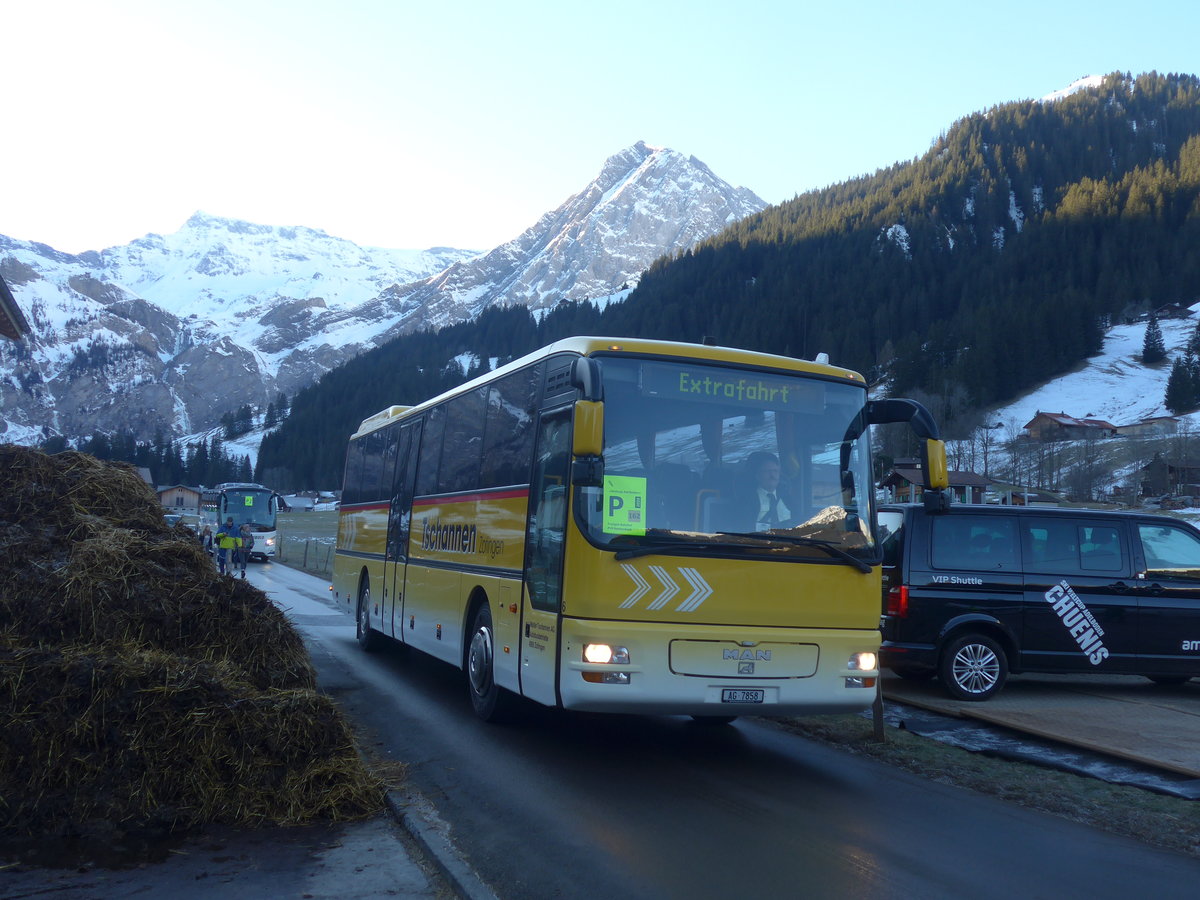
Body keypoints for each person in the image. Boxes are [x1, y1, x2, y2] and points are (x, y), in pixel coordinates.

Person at [742, 451, 795, 530]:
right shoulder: (746, 500)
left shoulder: (788, 498)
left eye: (775, 471)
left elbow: (799, 522)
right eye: (767, 471)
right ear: (757, 475)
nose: (772, 475)